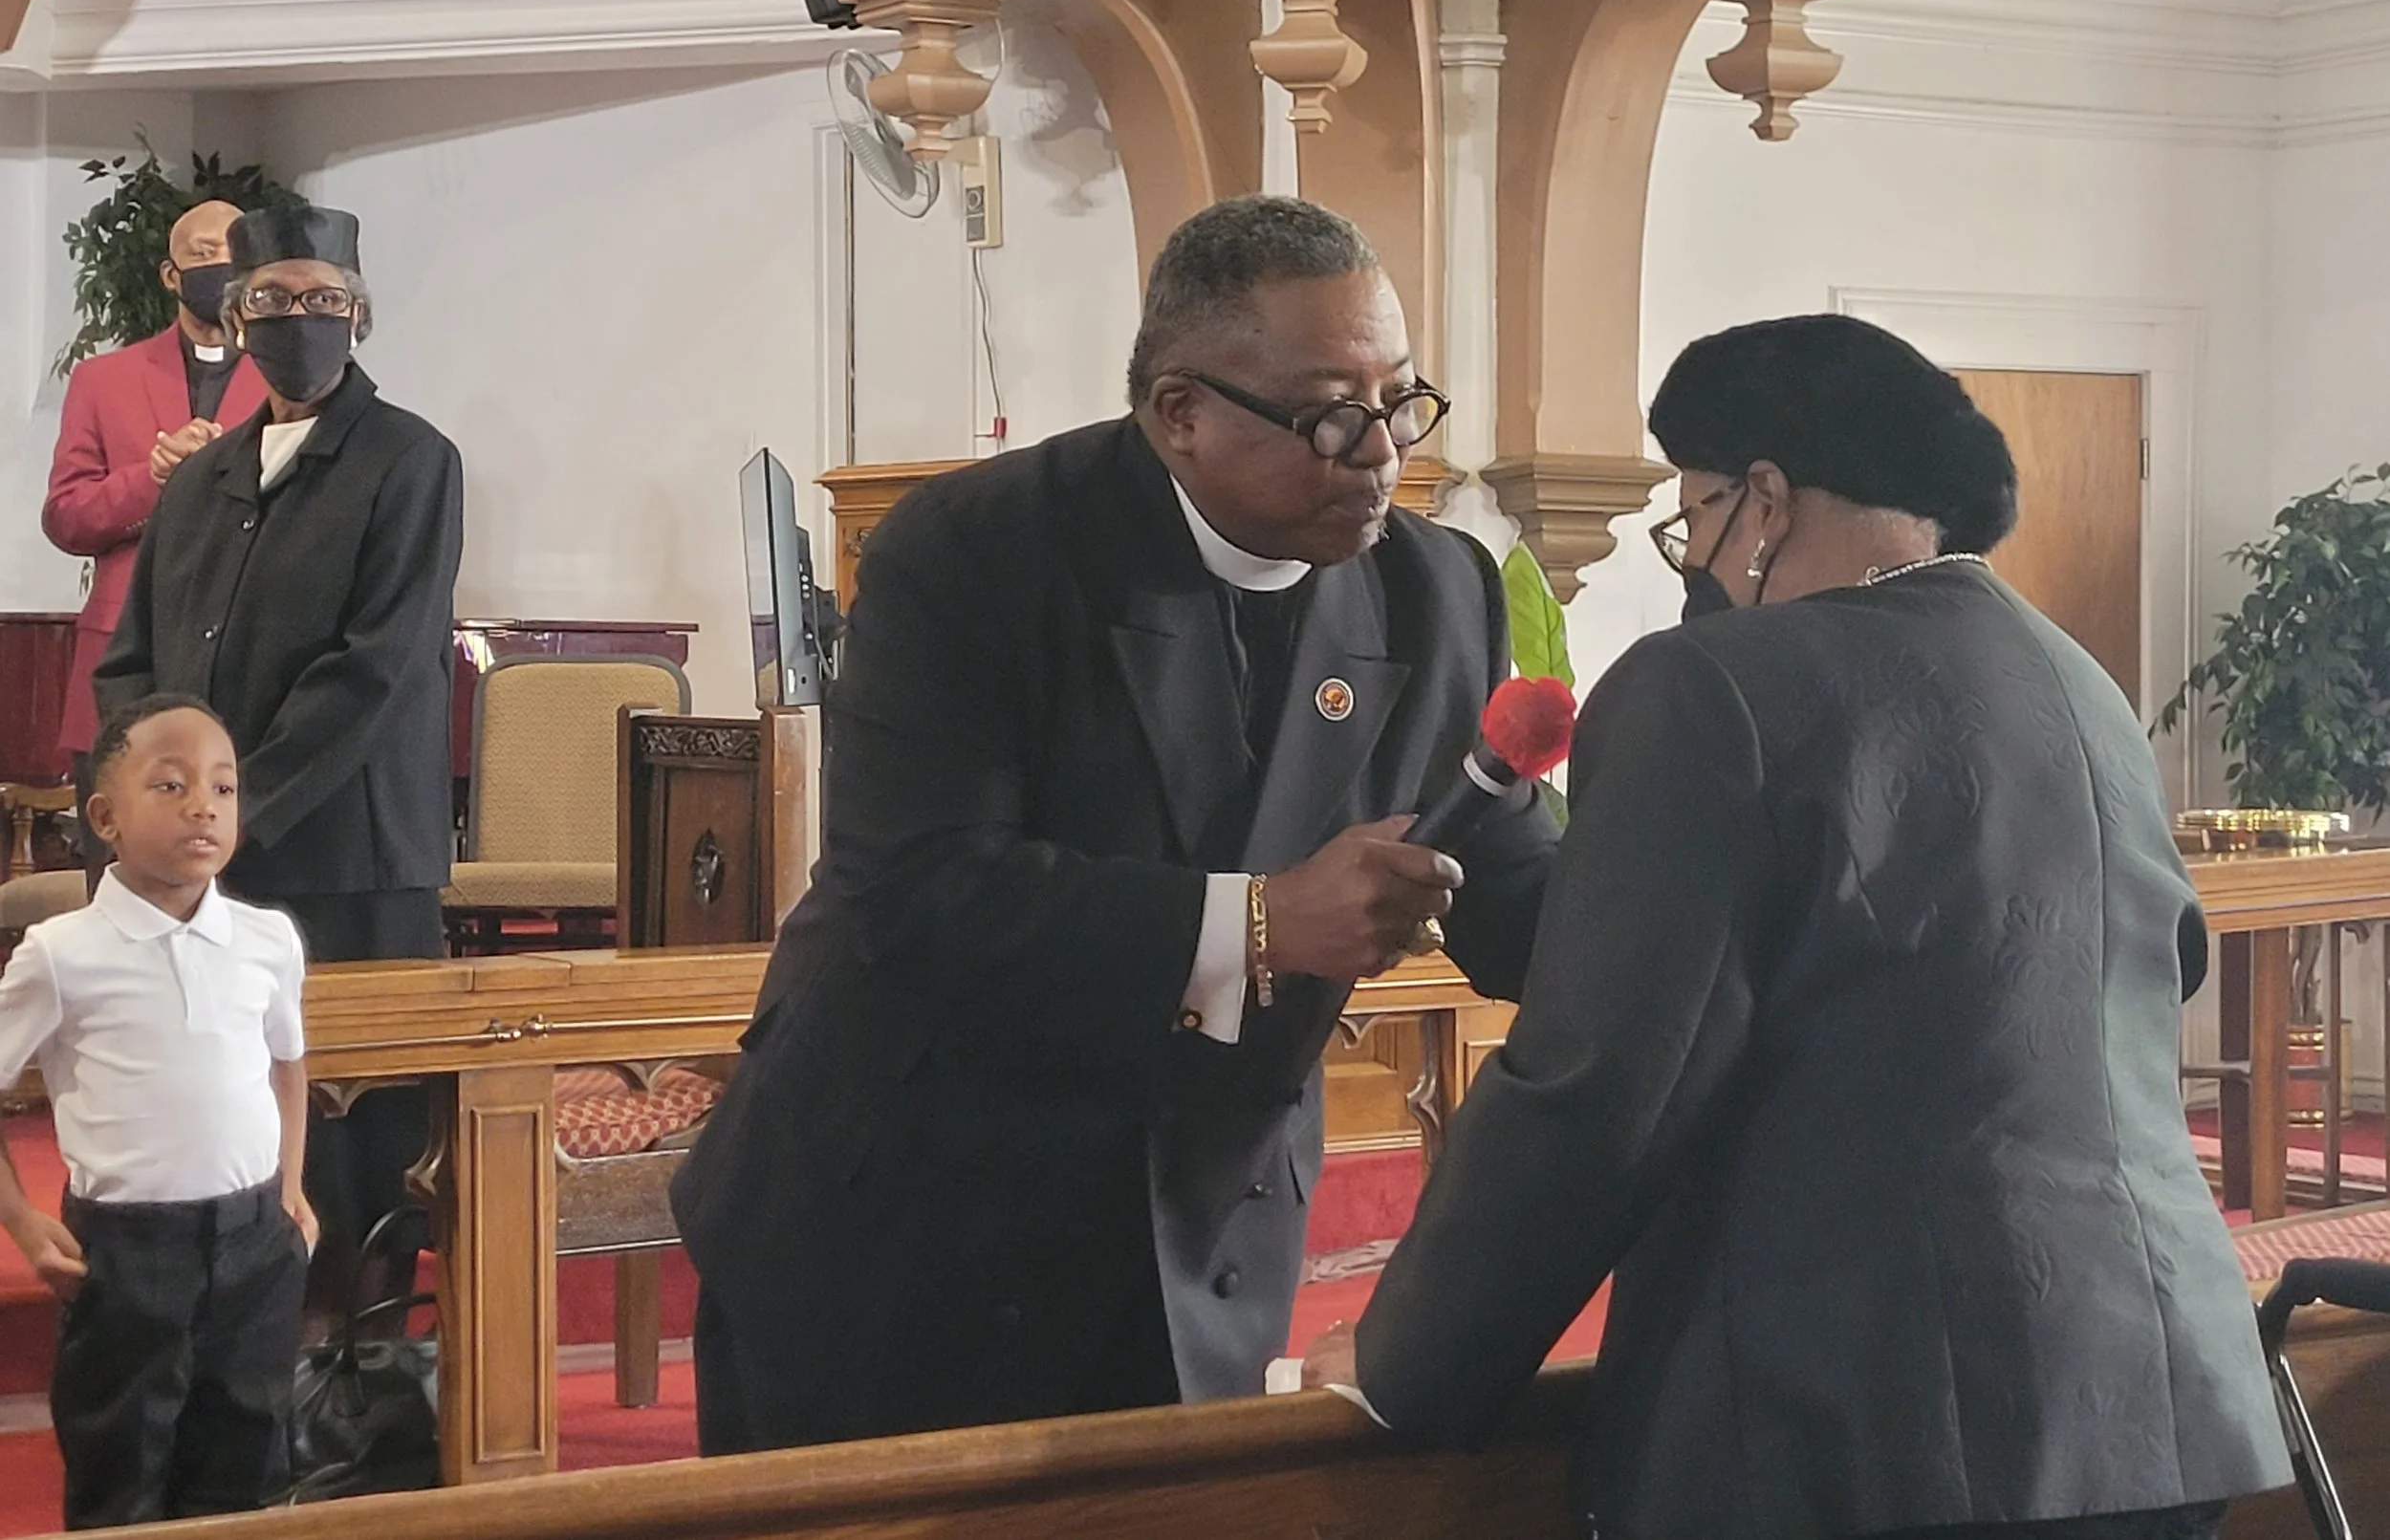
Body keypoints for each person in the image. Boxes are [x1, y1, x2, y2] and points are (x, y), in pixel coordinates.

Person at [1316, 314, 2290, 1539]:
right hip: (2151, 1407)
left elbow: (1603, 1084)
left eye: (1693, 516)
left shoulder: (1712, 684)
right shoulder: (2073, 678)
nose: (1695, 560)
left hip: (1870, 1428)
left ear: (1764, 501)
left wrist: (1402, 1367)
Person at [674, 194, 1559, 1452]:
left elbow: (1505, 874)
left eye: (1400, 399)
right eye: (1329, 413)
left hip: (1207, 1221)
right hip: (910, 1218)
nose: (1379, 452)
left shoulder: (1437, 587)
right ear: (1179, 411)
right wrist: (1262, 921)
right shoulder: (974, 551)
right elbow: (919, 889)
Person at [94, 203, 463, 1333]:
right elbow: (136, 659)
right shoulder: (201, 479)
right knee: (215, 1105)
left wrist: (227, 809)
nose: (297, 318)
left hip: (348, 851)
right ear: (237, 316)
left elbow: (375, 664)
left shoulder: (411, 459)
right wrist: (152, 802)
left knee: (355, 1139)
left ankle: (357, 1361)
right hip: (204, 863)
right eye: (272, 300)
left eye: (321, 300)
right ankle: (227, 1349)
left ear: (359, 314)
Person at [0, 693, 315, 1528]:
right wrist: (24, 1223)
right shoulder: (61, 953)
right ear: (105, 816)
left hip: (254, 1243)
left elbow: (287, 1062)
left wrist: (289, 1187)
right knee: (122, 1472)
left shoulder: (267, 939)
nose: (204, 805)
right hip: (128, 1255)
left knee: (248, 1469)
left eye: (224, 786)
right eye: (171, 785)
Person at [43, 198, 270, 857]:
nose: (222, 267)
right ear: (171, 275)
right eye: (204, 254)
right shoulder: (103, 379)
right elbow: (66, 516)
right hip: (126, 656)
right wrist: (153, 477)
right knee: (117, 873)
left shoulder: (289, 382)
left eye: (237, 255)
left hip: (245, 653)